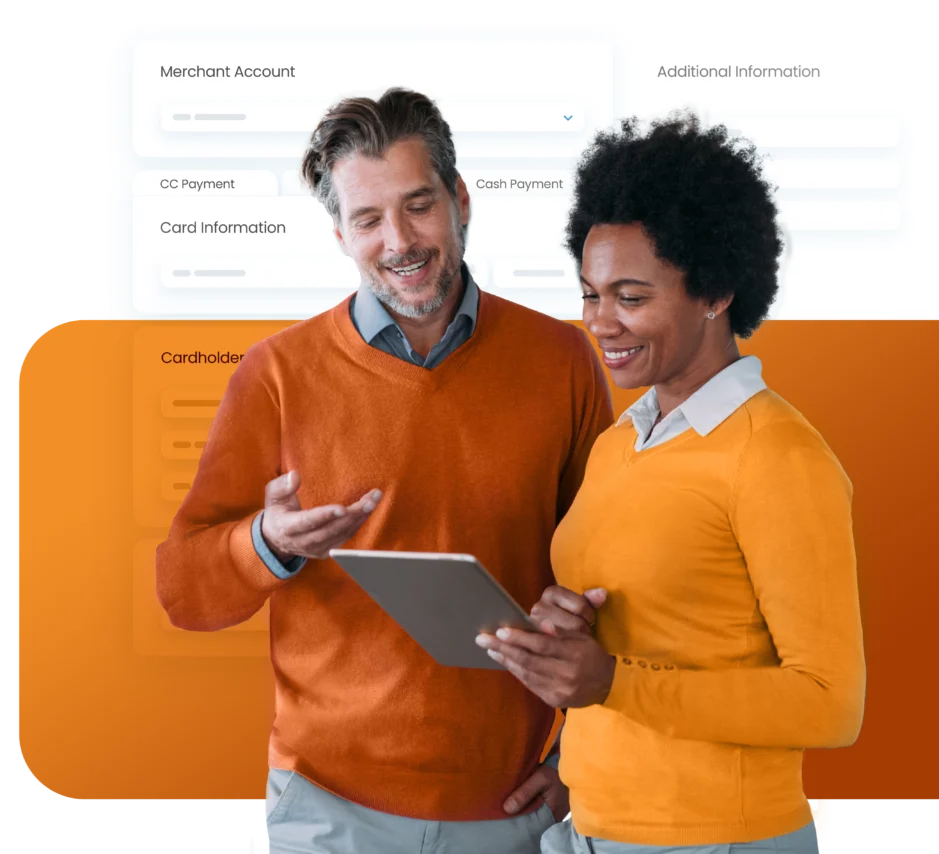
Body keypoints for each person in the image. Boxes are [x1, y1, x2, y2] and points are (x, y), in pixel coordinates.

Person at [155, 87, 614, 854]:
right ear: (340, 234)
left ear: (460, 200)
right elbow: (182, 588)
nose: (399, 240)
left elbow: (617, 576)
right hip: (326, 809)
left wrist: (580, 754)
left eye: (418, 205)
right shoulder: (276, 375)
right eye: (368, 219)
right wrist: (269, 542)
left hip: (512, 806)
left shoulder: (561, 361)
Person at [476, 111, 867, 853]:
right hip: (590, 830)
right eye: (591, 294)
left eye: (631, 297)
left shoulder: (777, 455)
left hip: (718, 838)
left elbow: (829, 704)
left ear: (715, 291)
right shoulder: (618, 444)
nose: (601, 322)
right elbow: (644, 629)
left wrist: (614, 682)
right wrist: (568, 631)